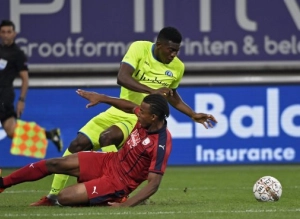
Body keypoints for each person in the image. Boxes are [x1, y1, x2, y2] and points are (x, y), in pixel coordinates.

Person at [31, 26, 214, 206]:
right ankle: (52, 196)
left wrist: (192, 114)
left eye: (177, 50)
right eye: (171, 50)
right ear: (159, 45)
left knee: (107, 137)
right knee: (77, 144)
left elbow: (171, 95)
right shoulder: (139, 48)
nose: (174, 54)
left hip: (139, 118)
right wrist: (152, 91)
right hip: (119, 109)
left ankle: (115, 189)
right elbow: (122, 77)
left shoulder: (177, 67)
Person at [0, 90, 217, 207]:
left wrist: (127, 205)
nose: (137, 113)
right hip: (109, 161)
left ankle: (112, 198)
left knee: (64, 198)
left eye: (142, 112)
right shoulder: (145, 117)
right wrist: (101, 98)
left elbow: (154, 184)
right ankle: (3, 184)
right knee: (55, 163)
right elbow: (126, 104)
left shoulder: (161, 142)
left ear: (154, 117)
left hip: (117, 183)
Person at [0, 20, 63, 152]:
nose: (6, 35)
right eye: (3, 32)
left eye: (8, 32)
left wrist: (21, 100)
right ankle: (49, 135)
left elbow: (25, 79)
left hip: (4, 97)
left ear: (14, 34)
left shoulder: (17, 54)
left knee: (11, 130)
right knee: (11, 131)